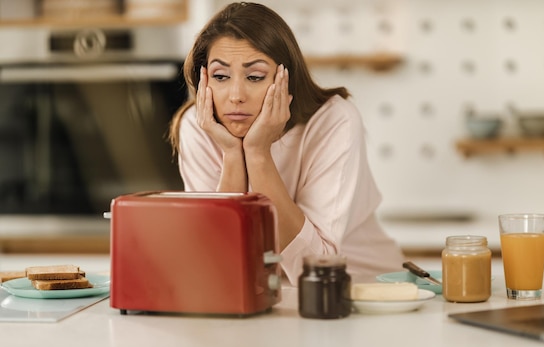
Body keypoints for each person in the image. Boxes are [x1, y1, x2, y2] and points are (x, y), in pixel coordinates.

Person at [169, 2, 404, 285]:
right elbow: (215, 261)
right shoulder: (198, 126)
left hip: (360, 288)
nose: (236, 95)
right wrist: (233, 155)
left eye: (254, 76)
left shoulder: (334, 120)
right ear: (204, 80)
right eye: (220, 76)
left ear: (286, 80)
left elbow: (318, 265)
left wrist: (257, 154)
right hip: (260, 296)